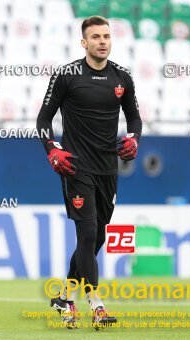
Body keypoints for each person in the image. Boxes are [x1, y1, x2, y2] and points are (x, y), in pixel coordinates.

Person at [36, 15, 142, 330]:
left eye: (106, 36)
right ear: (84, 42)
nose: (102, 41)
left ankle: (63, 297)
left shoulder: (122, 77)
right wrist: (52, 149)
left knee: (98, 235)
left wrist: (134, 139)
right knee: (87, 233)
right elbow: (43, 119)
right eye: (95, 37)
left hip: (108, 168)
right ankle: (95, 304)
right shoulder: (66, 75)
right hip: (76, 167)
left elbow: (134, 118)